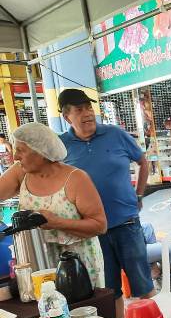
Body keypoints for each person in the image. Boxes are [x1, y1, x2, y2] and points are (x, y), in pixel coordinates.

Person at [58, 89, 153, 318]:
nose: (87, 114)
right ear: (66, 116)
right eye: (79, 110)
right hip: (92, 232)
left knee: (143, 286)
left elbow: (142, 161)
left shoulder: (114, 134)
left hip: (127, 223)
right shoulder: (60, 146)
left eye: (89, 108)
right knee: (109, 292)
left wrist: (139, 194)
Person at [0, 122, 106, 287]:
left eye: (21, 150)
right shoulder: (20, 172)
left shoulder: (76, 179)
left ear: (41, 152)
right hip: (37, 263)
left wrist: (57, 223)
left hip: (76, 265)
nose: (15, 156)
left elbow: (100, 225)